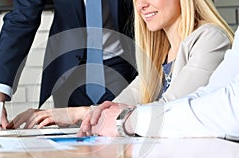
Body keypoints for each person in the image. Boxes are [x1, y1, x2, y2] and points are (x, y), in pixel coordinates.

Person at [7, 0, 234, 130]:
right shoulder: (158, 56)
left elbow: (171, 111)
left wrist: (79, 113)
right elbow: (115, 107)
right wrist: (60, 114)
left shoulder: (210, 38)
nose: (142, 5)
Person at [0, 0, 138, 129]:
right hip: (69, 70)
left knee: (123, 133)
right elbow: (22, 18)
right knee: (72, 149)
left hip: (122, 64)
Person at [78, 25, 239, 138]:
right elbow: (207, 94)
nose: (142, 4)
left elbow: (231, 109)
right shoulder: (160, 53)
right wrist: (83, 114)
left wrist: (131, 119)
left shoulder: (210, 38)